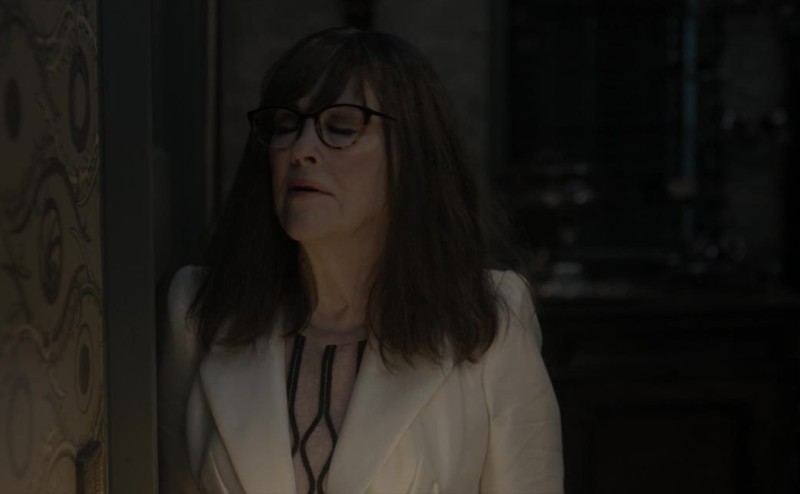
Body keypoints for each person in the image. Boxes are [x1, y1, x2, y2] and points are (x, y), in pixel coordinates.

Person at [165, 26, 563, 494]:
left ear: (410, 156)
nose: (301, 150)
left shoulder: (487, 318)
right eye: (286, 126)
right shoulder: (201, 309)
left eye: (341, 128)